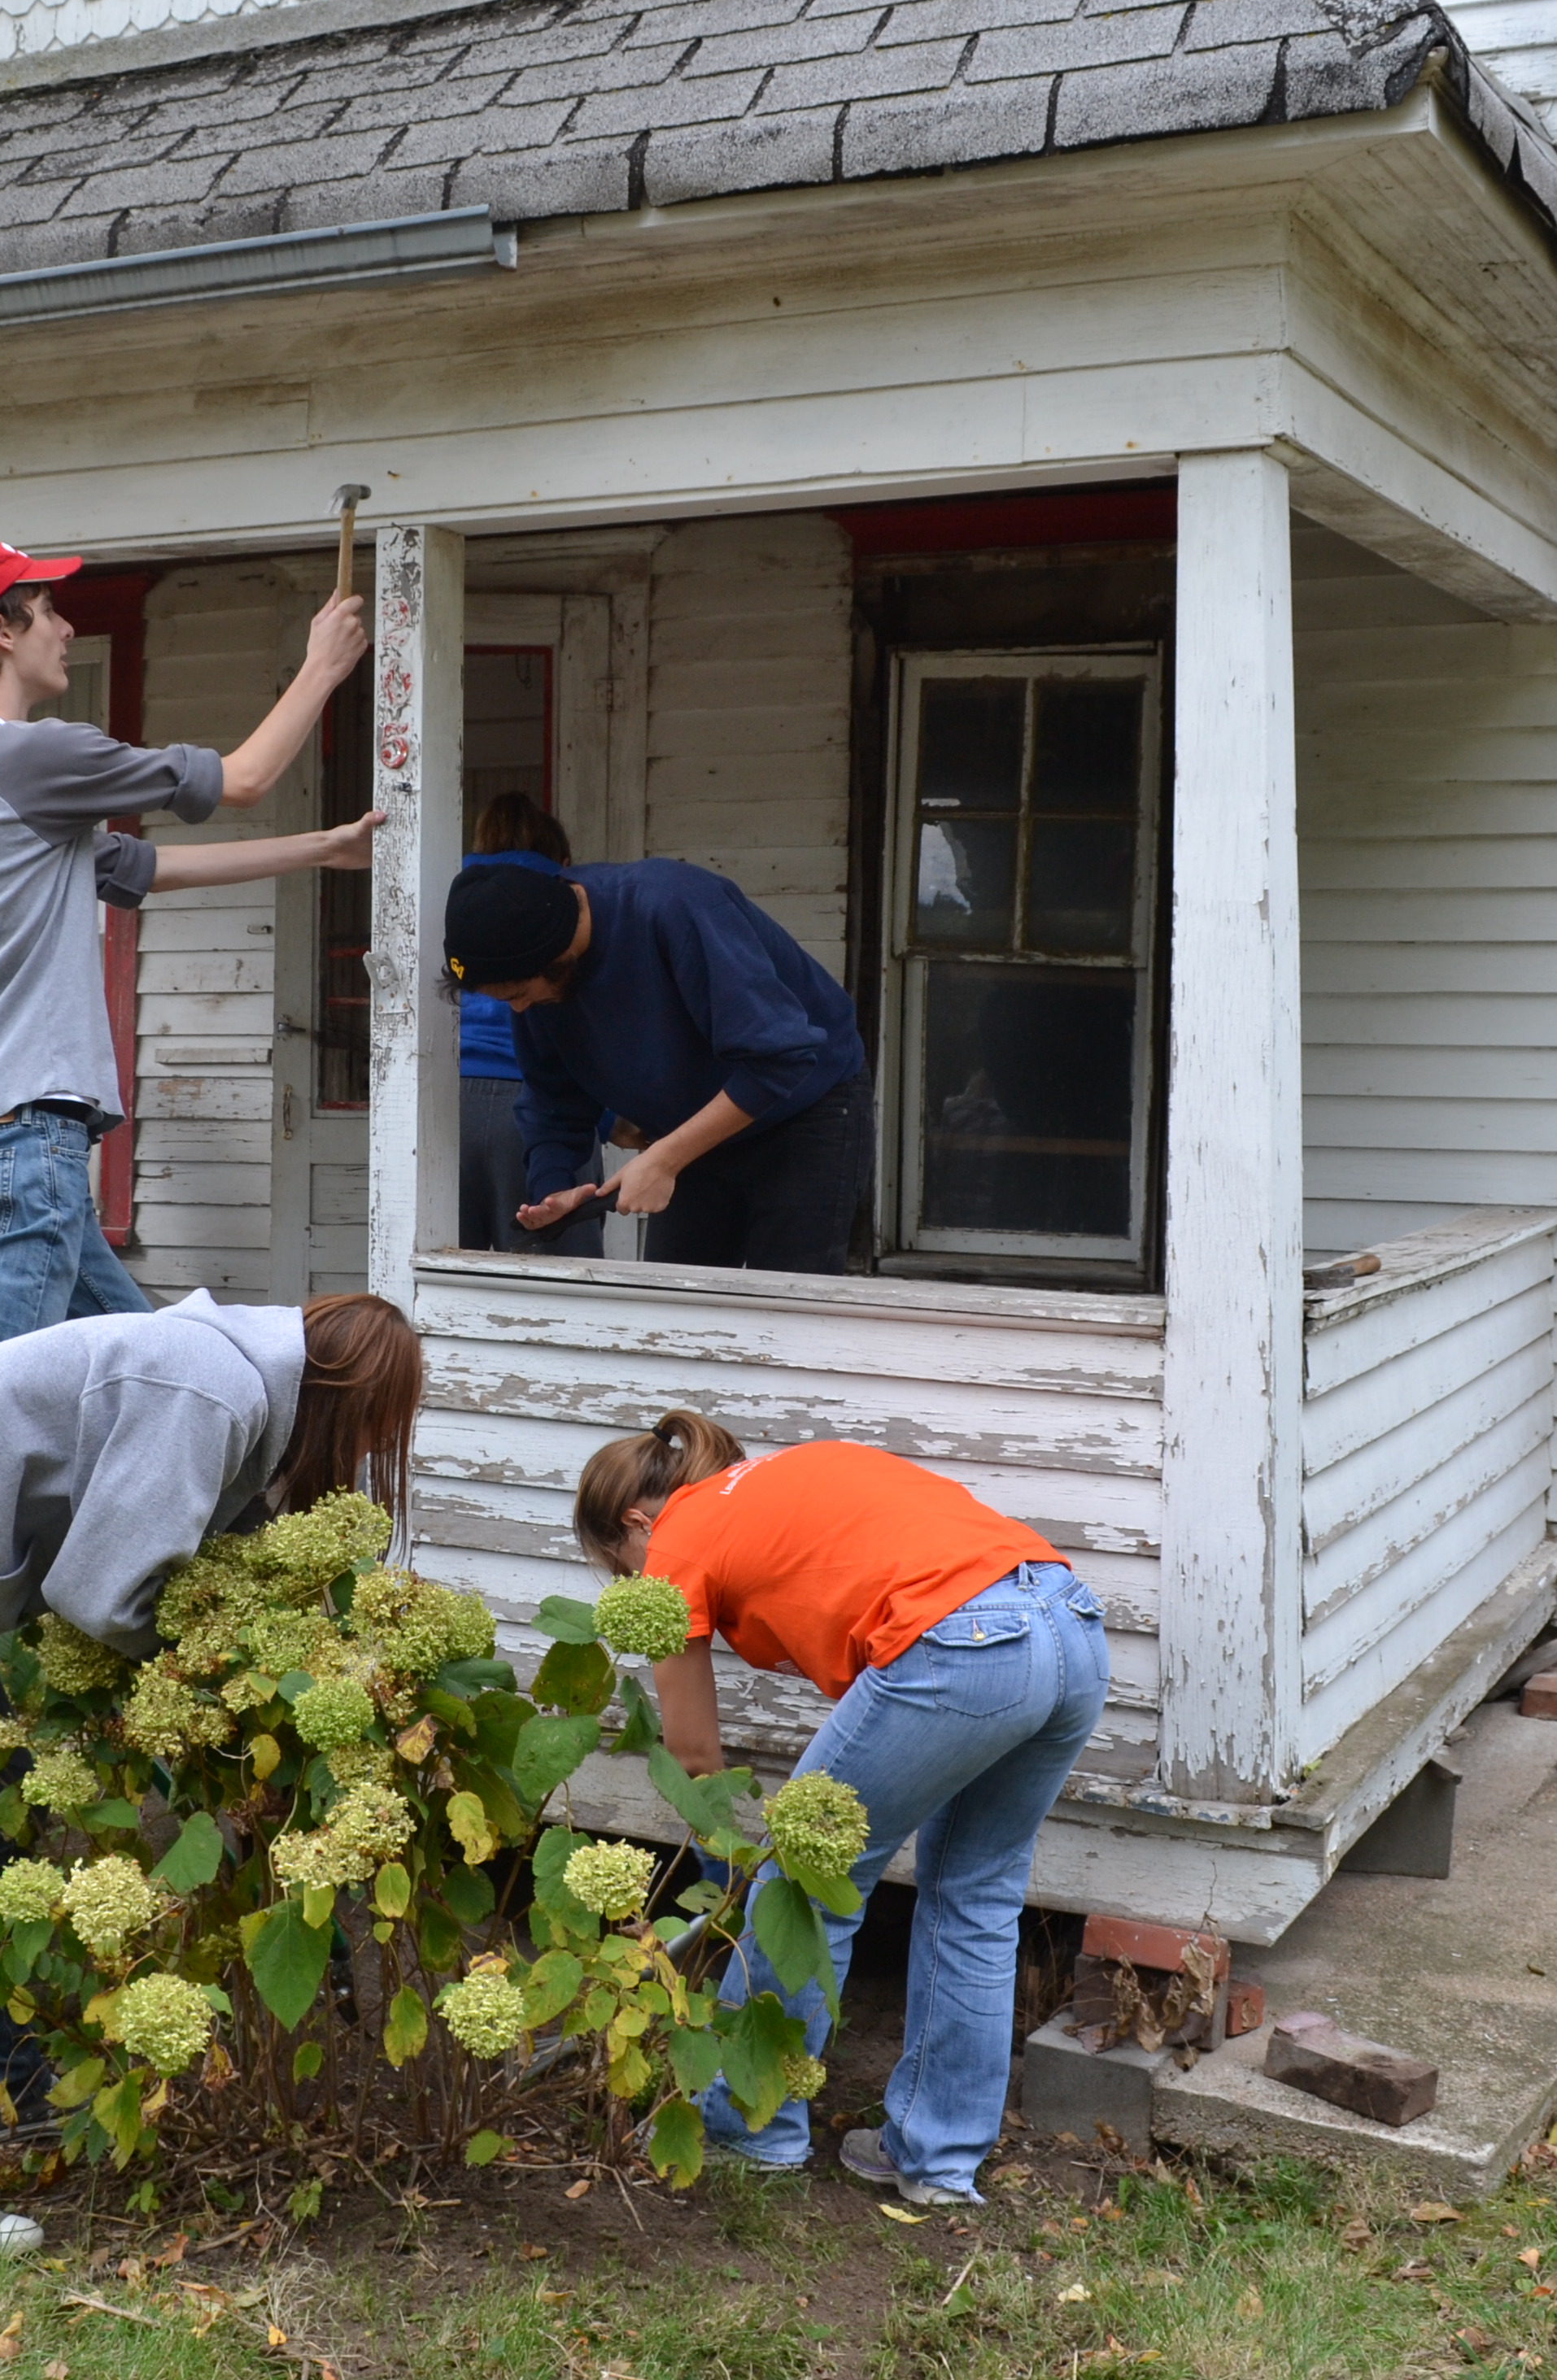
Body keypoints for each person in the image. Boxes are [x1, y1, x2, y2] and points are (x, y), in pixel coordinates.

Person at [0, 1290, 425, 2255]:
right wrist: (214, 1680)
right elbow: (101, 1594)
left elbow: (208, 1552)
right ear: (339, 1395)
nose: (362, 1459)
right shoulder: (207, 1390)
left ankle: (0, 2095)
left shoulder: (232, 1384)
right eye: (370, 1434)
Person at [570, 1411, 1102, 2204]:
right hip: (1070, 1625)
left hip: (963, 1642)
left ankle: (749, 2129)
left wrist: (726, 1880)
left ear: (636, 1521)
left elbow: (692, 1758)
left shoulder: (676, 1537)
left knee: (801, 1886)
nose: (633, 1588)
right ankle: (937, 2162)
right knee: (977, 1896)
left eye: (621, 1569)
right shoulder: (781, 1476)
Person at [0, 538, 378, 1362]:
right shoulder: (28, 752)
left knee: (157, 1370)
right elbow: (248, 778)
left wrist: (322, 849)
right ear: (2, 631)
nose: (68, 627)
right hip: (16, 1135)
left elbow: (149, 870)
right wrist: (325, 667)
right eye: (49, 610)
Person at [445, 856, 871, 1275]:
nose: (518, 1010)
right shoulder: (537, 983)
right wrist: (553, 1190)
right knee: (676, 1298)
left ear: (554, 952)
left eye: (518, 992)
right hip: (691, 1128)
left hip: (806, 1110)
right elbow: (553, 1102)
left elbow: (780, 1058)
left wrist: (665, 1159)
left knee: (785, 1306)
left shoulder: (674, 906)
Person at [458, 795, 604, 1258]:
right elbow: (581, 1021)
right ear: (560, 859)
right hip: (535, 1102)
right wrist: (608, 1116)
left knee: (444, 1278)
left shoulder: (450, 895)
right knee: (558, 1275)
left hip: (443, 1102)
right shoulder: (566, 898)